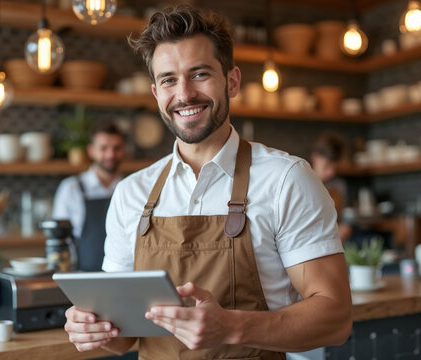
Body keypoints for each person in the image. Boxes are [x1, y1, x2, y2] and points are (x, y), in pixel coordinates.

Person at [64, 6, 352, 359]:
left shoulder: (287, 180)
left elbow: (335, 318)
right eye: (169, 79)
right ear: (156, 93)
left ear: (231, 81)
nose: (184, 94)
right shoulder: (131, 193)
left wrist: (231, 327)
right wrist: (94, 328)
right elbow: (123, 337)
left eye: (199, 74)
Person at [52, 123, 126, 271]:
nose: (110, 154)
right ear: (91, 151)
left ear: (123, 151)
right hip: (83, 276)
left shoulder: (130, 187)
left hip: (124, 276)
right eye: (103, 148)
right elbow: (60, 240)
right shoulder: (71, 188)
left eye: (116, 148)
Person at [309, 132, 352, 242]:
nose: (331, 172)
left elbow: (345, 215)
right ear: (314, 158)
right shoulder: (304, 184)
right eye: (326, 166)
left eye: (335, 167)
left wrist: (345, 226)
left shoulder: (339, 185)